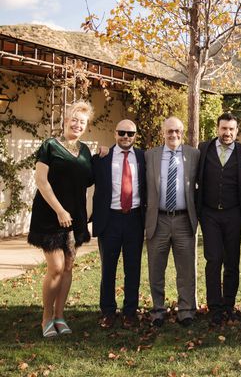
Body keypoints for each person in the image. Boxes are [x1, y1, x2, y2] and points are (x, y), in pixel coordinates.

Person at [28, 101, 94, 338]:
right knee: (55, 268)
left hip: (75, 218)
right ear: (66, 120)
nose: (77, 124)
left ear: (86, 126)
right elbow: (41, 180)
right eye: (74, 119)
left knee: (67, 267)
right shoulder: (50, 146)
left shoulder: (86, 151)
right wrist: (59, 210)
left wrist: (104, 154)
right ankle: (46, 318)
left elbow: (89, 183)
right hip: (50, 215)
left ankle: (60, 316)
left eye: (82, 122)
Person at [196, 112, 241, 326]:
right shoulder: (203, 149)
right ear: (217, 129)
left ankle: (229, 305)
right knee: (213, 259)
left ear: (237, 131)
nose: (227, 133)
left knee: (231, 261)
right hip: (209, 213)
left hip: (233, 213)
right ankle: (215, 307)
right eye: (223, 128)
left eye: (231, 129)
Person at [145, 116, 200, 327]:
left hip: (184, 220)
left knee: (186, 269)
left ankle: (186, 310)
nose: (173, 135)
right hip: (158, 220)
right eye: (169, 131)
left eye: (177, 131)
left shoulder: (194, 155)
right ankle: (158, 310)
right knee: (156, 268)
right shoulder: (150, 155)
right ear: (163, 132)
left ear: (182, 132)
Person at [92, 119, 146, 330]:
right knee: (108, 268)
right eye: (122, 132)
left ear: (135, 136)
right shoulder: (102, 158)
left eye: (130, 134)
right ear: (115, 133)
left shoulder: (143, 157)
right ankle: (107, 311)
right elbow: (85, 176)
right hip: (110, 219)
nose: (126, 137)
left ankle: (130, 312)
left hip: (134, 218)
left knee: (133, 268)